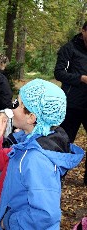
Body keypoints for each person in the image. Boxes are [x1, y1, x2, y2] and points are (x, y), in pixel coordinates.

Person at [0, 79, 85, 229]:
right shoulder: (26, 142)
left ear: (31, 117)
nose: (11, 108)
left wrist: (7, 222)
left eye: (17, 104)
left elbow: (45, 214)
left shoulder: (36, 159)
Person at [54, 21, 87, 185]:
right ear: (83, 31)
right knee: (65, 140)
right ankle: (58, 175)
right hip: (72, 104)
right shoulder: (70, 48)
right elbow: (59, 73)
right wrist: (80, 78)